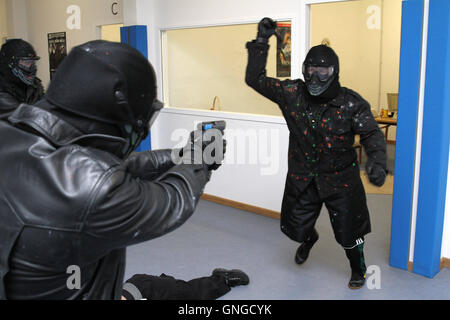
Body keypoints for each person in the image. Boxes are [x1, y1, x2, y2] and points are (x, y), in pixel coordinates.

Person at [0, 40, 247, 300]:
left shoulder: (17, 137)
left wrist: (182, 155)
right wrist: (202, 159)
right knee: (148, 289)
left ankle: (218, 282)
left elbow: (112, 167)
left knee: (146, 286)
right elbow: (174, 200)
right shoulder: (93, 187)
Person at [245, 18, 387, 289]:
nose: (316, 75)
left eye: (324, 69)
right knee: (294, 227)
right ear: (304, 69)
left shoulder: (350, 102)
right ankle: (309, 238)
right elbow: (255, 79)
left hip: (341, 181)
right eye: (311, 68)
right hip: (303, 177)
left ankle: (358, 268)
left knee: (351, 232)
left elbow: (371, 133)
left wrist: (377, 161)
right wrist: (261, 41)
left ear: (335, 71)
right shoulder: (291, 93)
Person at [0, 39, 44, 118]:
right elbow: (23, 120)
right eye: (26, 62)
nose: (31, 67)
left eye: (32, 62)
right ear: (10, 63)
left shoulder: (34, 85)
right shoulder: (2, 91)